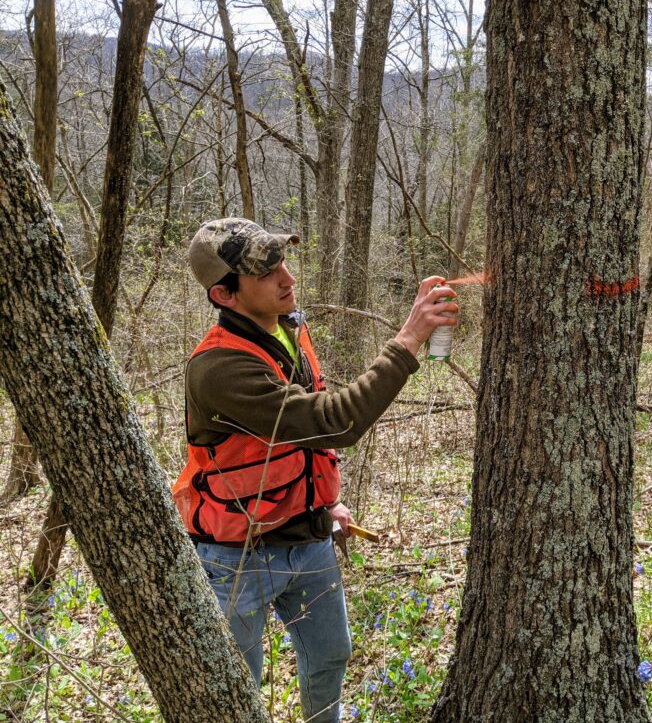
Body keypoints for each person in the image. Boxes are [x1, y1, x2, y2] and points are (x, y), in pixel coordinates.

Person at [173, 217, 458, 722]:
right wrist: (410, 336)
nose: (287, 278)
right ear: (224, 294)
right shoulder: (217, 369)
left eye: (283, 261)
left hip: (310, 538)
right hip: (238, 557)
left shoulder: (289, 329)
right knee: (238, 691)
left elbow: (303, 436)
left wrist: (325, 501)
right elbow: (331, 421)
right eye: (266, 272)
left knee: (330, 656)